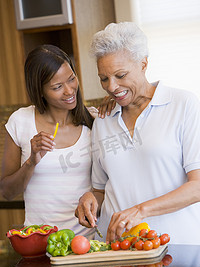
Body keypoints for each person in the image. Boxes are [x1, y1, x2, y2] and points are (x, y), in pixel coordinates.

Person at [75, 22, 200, 245]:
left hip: (177, 248)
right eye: (104, 78)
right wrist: (90, 199)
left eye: (120, 75)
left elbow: (197, 186)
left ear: (143, 63)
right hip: (118, 253)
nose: (112, 87)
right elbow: (100, 189)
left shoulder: (183, 105)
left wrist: (141, 211)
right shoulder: (103, 120)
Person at [0, 44, 102, 239]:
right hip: (41, 244)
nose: (69, 90)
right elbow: (7, 192)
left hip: (88, 243)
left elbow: (106, 186)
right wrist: (31, 161)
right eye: (57, 87)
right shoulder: (20, 121)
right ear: (40, 91)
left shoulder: (94, 121)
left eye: (71, 79)